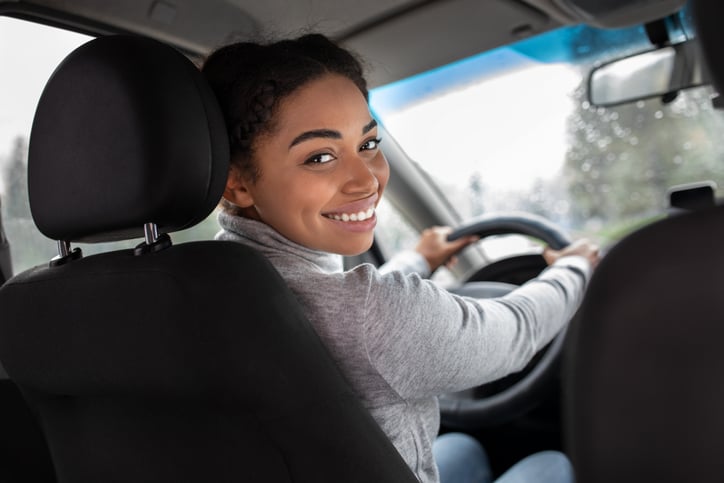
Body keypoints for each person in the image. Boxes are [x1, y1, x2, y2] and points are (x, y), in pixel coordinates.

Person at [201, 33, 599, 483]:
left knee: (461, 446)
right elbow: (516, 333)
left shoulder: (199, 284)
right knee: (551, 464)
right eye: (320, 156)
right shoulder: (375, 316)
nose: (366, 181)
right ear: (237, 183)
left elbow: (349, 315)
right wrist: (575, 268)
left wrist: (416, 260)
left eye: (368, 144)